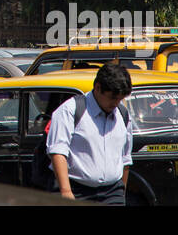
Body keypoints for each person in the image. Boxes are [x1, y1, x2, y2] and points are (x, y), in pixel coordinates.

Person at [45, 63, 134, 204]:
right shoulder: (70, 110)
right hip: (77, 191)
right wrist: (66, 191)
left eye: (120, 98)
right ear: (98, 88)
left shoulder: (122, 115)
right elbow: (58, 152)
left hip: (112, 193)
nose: (116, 103)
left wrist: (121, 192)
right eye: (112, 97)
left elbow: (125, 158)